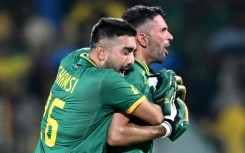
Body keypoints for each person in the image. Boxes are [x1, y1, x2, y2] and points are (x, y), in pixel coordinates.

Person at [34, 17, 172, 153]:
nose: (131, 61)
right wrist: (166, 127)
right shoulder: (106, 81)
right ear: (101, 52)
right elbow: (156, 116)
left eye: (133, 52)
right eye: (125, 52)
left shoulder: (70, 59)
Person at [106, 5, 189, 153]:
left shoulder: (130, 70)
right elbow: (116, 134)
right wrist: (165, 128)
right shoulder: (133, 74)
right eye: (163, 30)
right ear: (143, 39)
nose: (170, 36)